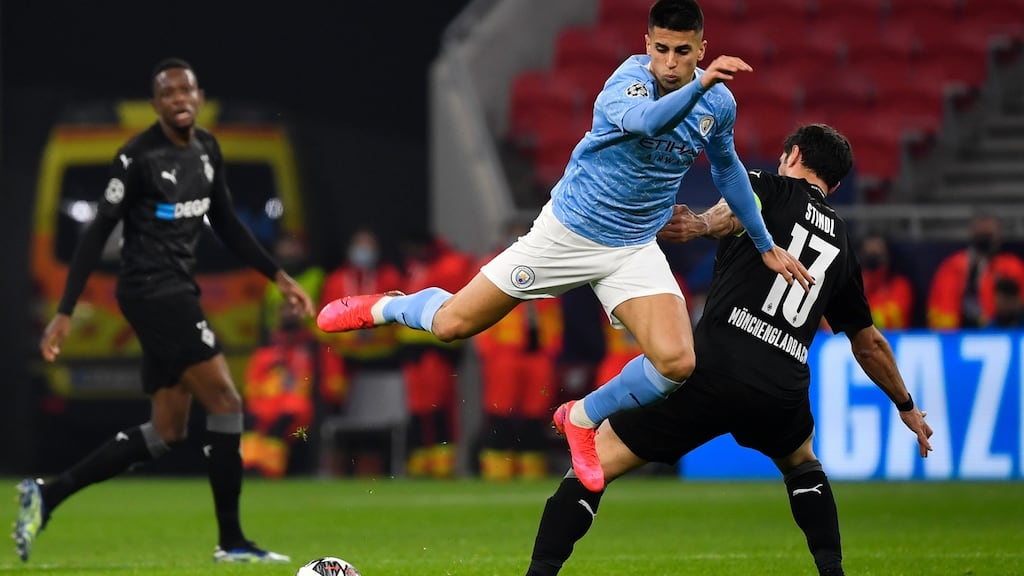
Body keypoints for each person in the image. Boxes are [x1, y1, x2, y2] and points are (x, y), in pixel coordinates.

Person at [317, 0, 812, 492]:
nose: (671, 62)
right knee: (453, 325)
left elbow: (726, 169)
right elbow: (648, 123)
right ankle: (388, 306)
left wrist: (764, 242)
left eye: (684, 52)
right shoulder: (627, 83)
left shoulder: (718, 104)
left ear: (701, 48)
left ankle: (581, 417)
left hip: (633, 247)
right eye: (661, 49)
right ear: (646, 45)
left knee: (678, 363)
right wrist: (701, 84)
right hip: (567, 234)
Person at [524, 124, 934, 576]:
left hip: (711, 370)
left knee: (597, 460)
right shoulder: (841, 244)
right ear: (834, 184)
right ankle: (832, 572)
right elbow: (868, 342)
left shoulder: (766, 185)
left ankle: (540, 571)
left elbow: (733, 214)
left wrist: (699, 224)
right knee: (802, 465)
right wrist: (907, 406)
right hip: (780, 388)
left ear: (793, 154)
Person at [19, 58, 313, 564]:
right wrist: (65, 310)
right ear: (156, 105)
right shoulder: (138, 158)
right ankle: (233, 542)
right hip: (151, 291)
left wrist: (279, 277)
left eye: (186, 90)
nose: (179, 99)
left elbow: (226, 223)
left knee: (169, 430)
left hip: (179, 288)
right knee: (226, 402)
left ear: (198, 95)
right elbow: (93, 236)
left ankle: (48, 494)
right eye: (168, 93)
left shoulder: (207, 149)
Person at [927, 214, 1024, 329]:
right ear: (972, 235)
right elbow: (935, 307)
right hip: (953, 334)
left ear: (998, 237)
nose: (984, 239)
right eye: (981, 235)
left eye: (989, 235)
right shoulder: (950, 267)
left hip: (995, 332)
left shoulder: (1011, 267)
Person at [858, 233, 914, 329]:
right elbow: (831, 321)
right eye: (868, 253)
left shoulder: (900, 285)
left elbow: (896, 318)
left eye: (877, 253)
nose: (872, 257)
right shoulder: (848, 284)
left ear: (888, 256)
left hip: (890, 340)